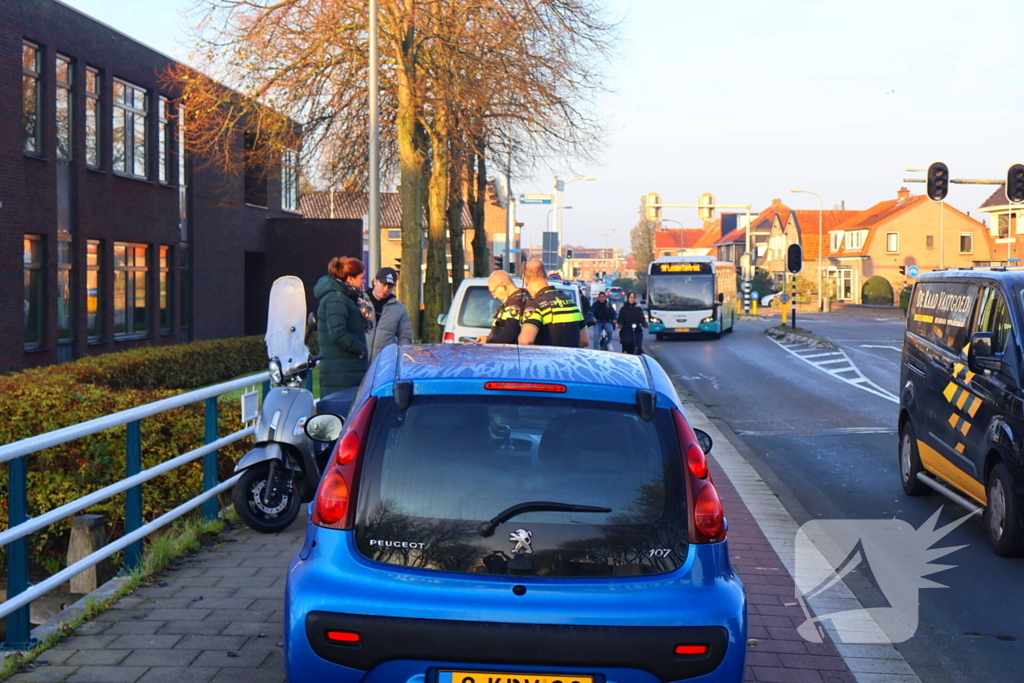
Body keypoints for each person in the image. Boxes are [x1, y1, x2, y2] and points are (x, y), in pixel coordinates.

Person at [314, 256, 373, 397]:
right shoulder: (337, 298)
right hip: (343, 371)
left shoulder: (343, 297)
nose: (364, 281)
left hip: (345, 368)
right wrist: (361, 350)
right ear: (350, 278)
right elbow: (337, 333)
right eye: (361, 277)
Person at [517, 260, 589, 348]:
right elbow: (584, 341)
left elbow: (525, 341)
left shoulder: (536, 304)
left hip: (547, 360)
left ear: (526, 279)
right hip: (570, 360)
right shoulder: (570, 301)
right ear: (546, 275)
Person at [365, 266, 413, 361]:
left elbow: (405, 336)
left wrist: (398, 357)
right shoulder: (359, 302)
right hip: (359, 361)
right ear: (375, 281)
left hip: (384, 362)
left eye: (390, 287)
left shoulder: (399, 309)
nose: (386, 289)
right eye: (383, 285)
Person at [480, 270, 531, 344]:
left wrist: (488, 341)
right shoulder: (521, 298)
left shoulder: (515, 303)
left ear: (502, 287)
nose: (494, 297)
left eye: (493, 291)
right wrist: (488, 338)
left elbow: (509, 335)